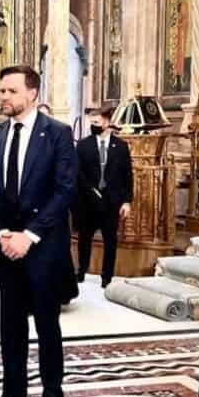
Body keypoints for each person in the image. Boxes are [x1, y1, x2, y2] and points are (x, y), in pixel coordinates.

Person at [0, 65, 77, 397]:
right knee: (10, 327)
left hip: (43, 249)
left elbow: (65, 191)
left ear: (32, 94)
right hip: (6, 249)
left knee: (47, 328)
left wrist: (29, 235)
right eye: (1, 90)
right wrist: (2, 233)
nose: (3, 97)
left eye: (11, 91)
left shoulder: (58, 135)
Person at [74, 106, 133, 288]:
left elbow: (127, 176)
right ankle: (82, 270)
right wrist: (89, 191)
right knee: (85, 238)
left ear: (107, 122)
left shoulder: (121, 146)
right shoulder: (83, 145)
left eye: (97, 122)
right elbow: (78, 173)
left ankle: (107, 275)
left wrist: (127, 201)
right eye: (92, 123)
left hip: (111, 201)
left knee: (110, 240)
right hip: (89, 200)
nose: (93, 126)